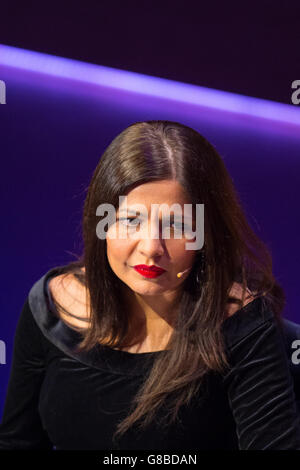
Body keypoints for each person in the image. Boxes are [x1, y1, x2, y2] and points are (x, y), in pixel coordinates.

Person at [0, 120, 300, 450]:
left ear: (206, 235)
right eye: (131, 220)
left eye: (176, 224)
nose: (151, 247)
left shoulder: (243, 325)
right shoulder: (52, 308)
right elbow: (18, 442)